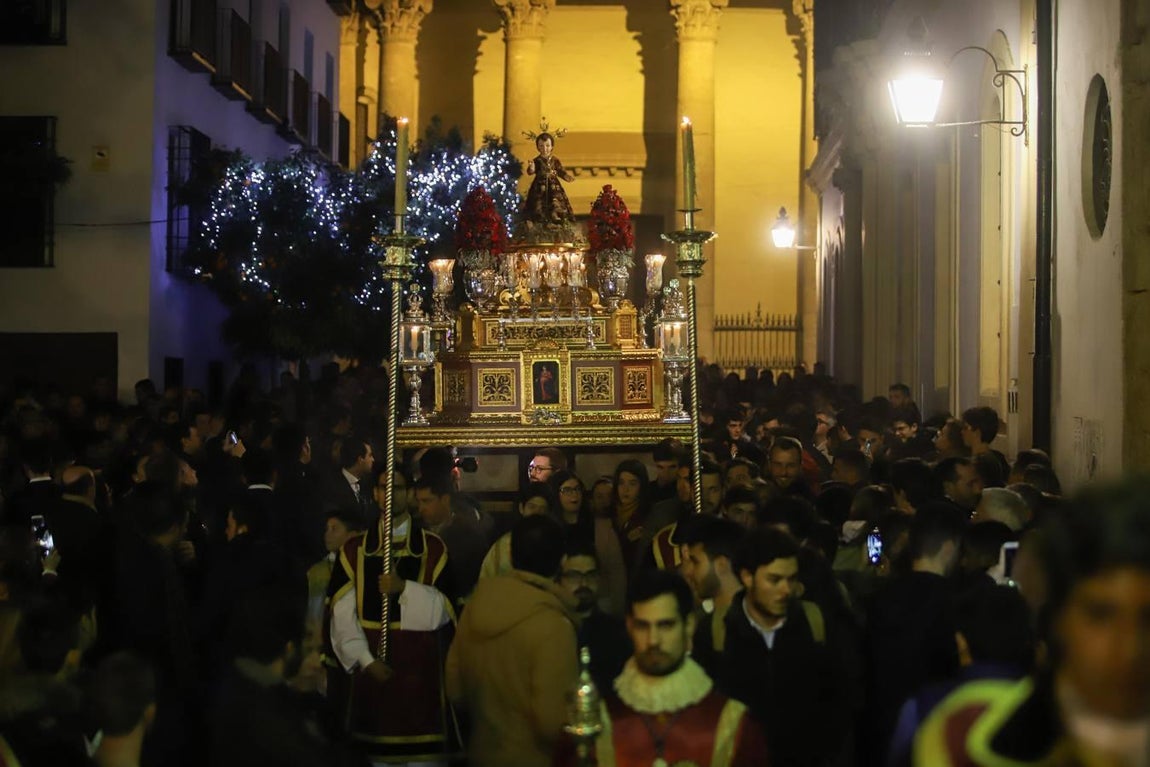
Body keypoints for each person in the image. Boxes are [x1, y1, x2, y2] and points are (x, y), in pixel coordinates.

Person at [913, 477, 1150, 765]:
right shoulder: (964, 740)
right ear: (1058, 617)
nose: (1130, 645)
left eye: (1147, 619)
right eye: (1100, 615)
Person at [325, 474, 457, 766]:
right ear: (374, 493)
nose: (390, 494)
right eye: (384, 487)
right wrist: (365, 659)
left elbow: (447, 612)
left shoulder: (433, 548)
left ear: (408, 493)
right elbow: (340, 613)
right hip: (371, 677)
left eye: (397, 488)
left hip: (420, 680)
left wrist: (404, 589)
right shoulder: (354, 549)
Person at [574, 569, 768, 767]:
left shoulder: (731, 724)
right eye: (643, 626)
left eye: (665, 625)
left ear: (689, 625)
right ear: (629, 626)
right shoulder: (600, 722)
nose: (653, 641)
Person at [446, 515, 578, 767]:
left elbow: (455, 687)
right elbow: (553, 722)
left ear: (511, 553)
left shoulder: (476, 607)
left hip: (481, 753)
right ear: (562, 561)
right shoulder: (552, 626)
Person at [718, 526, 852, 767]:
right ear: (747, 577)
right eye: (774, 579)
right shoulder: (717, 633)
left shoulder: (815, 625)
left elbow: (840, 707)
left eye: (791, 579)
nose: (786, 590)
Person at [557, 540, 630, 693]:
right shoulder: (551, 631)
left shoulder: (617, 633)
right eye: (574, 576)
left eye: (590, 575)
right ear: (559, 581)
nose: (583, 583)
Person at [680, 515, 746, 679]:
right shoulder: (703, 622)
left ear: (721, 564)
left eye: (696, 562)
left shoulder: (745, 626)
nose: (688, 572)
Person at [522, 132, 575, 226]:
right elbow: (530, 172)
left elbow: (560, 170)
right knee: (538, 203)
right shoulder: (536, 160)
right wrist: (531, 167)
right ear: (538, 147)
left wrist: (566, 176)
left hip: (553, 185)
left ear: (552, 146)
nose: (544, 149)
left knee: (555, 200)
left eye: (547, 145)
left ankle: (556, 217)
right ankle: (539, 220)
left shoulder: (555, 160)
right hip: (539, 186)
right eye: (541, 146)